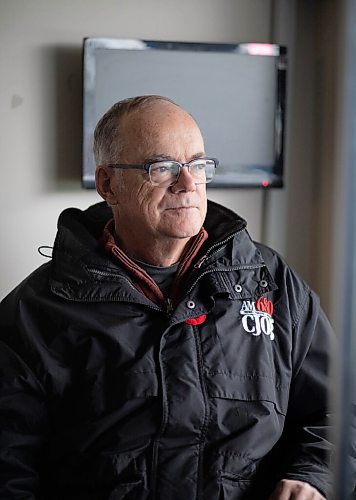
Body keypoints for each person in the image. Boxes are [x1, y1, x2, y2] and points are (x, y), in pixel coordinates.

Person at [0, 95, 334, 499]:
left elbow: (336, 410)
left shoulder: (273, 283)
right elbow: (9, 467)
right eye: (161, 167)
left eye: (197, 164)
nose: (188, 184)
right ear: (108, 184)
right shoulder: (36, 310)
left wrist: (313, 475)